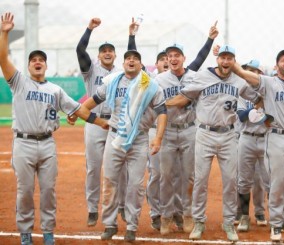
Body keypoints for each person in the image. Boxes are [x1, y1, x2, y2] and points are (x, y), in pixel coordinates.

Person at [0, 12, 109, 245]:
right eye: (33, 60)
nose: (37, 62)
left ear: (46, 65)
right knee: (25, 192)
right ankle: (26, 234)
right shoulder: (19, 82)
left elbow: (77, 109)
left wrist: (101, 122)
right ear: (29, 65)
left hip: (47, 144)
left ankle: (48, 232)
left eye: (41, 59)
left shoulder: (55, 90)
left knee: (49, 192)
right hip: (24, 144)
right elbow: (2, 60)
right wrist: (4, 33)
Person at [70, 49, 167, 242]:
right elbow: (91, 102)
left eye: (135, 59)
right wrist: (77, 112)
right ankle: (110, 224)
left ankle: (131, 226)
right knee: (110, 180)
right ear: (123, 64)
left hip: (139, 138)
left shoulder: (150, 85)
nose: (131, 61)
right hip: (115, 137)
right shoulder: (112, 82)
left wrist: (158, 139)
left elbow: (162, 112)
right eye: (128, 59)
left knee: (135, 184)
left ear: (141, 65)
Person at [166, 45, 261, 242]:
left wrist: (261, 111)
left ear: (234, 60)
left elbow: (258, 98)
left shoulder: (239, 80)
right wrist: (162, 104)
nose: (226, 62)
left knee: (230, 181)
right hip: (205, 133)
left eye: (230, 58)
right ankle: (199, 221)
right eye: (223, 58)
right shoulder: (203, 76)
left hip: (228, 135)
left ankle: (228, 222)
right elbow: (183, 98)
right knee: (200, 180)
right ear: (217, 59)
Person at [232, 49, 284, 242]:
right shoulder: (267, 83)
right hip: (271, 137)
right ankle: (274, 223)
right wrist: (228, 59)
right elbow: (242, 75)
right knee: (274, 182)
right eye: (283, 59)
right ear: (276, 67)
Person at [156, 21, 219, 235]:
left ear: (183, 58)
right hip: (167, 131)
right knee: (166, 176)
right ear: (166, 60)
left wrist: (210, 39)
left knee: (189, 175)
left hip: (190, 129)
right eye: (169, 56)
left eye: (177, 55)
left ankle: (187, 215)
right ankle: (166, 216)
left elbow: (201, 58)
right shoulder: (159, 79)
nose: (172, 59)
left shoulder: (193, 75)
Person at [76, 17, 127, 227]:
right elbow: (80, 50)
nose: (107, 52)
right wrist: (89, 29)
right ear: (99, 55)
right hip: (94, 123)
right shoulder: (91, 71)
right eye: (104, 50)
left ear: (115, 55)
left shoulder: (122, 72)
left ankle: (122, 205)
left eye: (110, 50)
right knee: (93, 168)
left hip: (116, 124)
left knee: (120, 168)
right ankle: (92, 208)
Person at [234, 60, 269, 232]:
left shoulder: (269, 92)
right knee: (244, 180)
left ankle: (267, 215)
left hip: (265, 139)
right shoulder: (241, 93)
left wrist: (257, 110)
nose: (253, 74)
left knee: (268, 180)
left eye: (257, 71)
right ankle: (245, 217)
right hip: (246, 138)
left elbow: (272, 118)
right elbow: (241, 116)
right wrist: (257, 107)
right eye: (250, 71)